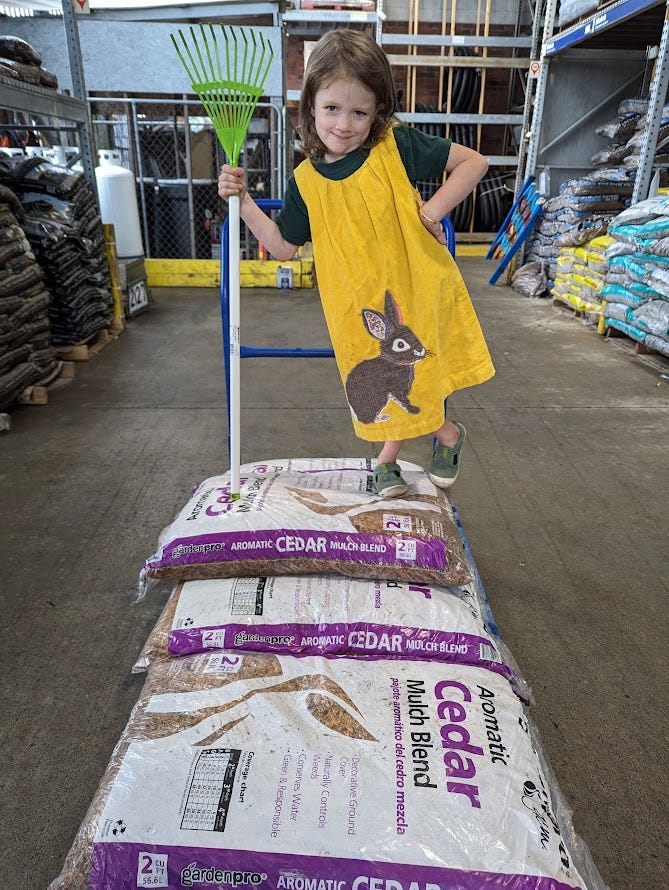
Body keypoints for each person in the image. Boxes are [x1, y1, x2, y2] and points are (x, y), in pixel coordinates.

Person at [218, 28, 494, 498]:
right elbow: (285, 247)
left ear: (378, 112)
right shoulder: (306, 179)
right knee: (382, 377)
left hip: (416, 284)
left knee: (414, 373)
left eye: (359, 112)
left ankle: (389, 459)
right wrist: (242, 201)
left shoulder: (396, 147)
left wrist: (430, 212)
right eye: (332, 109)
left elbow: (474, 163)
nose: (344, 124)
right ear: (310, 106)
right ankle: (446, 434)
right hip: (360, 304)